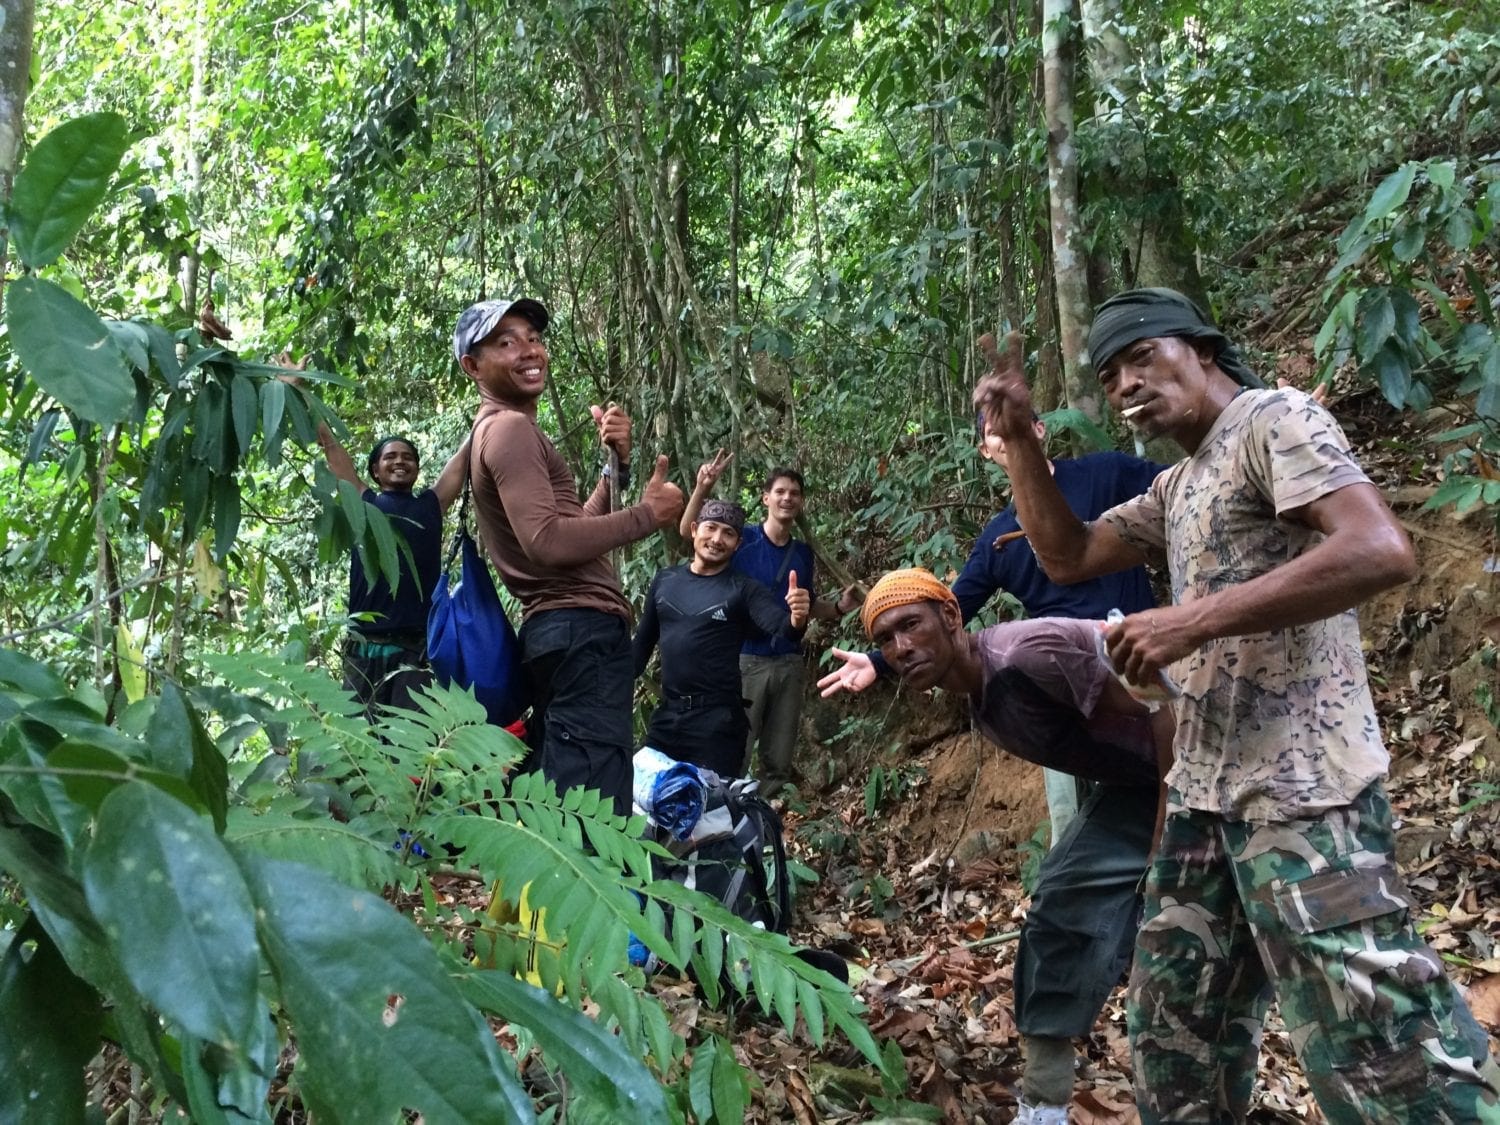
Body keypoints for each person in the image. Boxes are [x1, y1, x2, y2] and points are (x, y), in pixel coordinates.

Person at [973, 287, 1500, 1123]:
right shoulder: (1179, 484)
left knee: (1384, 1049)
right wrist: (1016, 445)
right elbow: (1068, 553)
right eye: (1111, 375)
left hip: (1304, 795)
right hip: (1205, 798)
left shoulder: (1272, 421)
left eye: (1143, 355)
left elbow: (1379, 547)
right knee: (1175, 1034)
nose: (1127, 383)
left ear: (1202, 350)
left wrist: (1192, 620)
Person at [819, 568, 1171, 1125]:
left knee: (1197, 932)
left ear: (952, 616)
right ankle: (1045, 1103)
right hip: (1140, 785)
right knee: (1060, 908)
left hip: (1210, 759)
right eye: (884, 640)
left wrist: (1167, 830)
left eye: (911, 626)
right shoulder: (979, 690)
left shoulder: (1026, 654)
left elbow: (1162, 700)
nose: (900, 647)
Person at [454, 297, 684, 817]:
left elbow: (569, 526)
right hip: (577, 631)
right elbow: (548, 542)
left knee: (565, 794)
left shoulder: (508, 428)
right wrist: (647, 514)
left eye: (533, 338)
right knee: (592, 812)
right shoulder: (508, 429)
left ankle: (532, 897)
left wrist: (616, 470)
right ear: (473, 365)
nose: (528, 350)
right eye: (505, 342)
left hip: (565, 634)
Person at [285, 347, 470, 719]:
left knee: (409, 748)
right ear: (374, 470)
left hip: (415, 650)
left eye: (407, 457)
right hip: (364, 648)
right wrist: (299, 391)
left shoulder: (431, 506)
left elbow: (463, 460)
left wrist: (493, 404)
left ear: (417, 469)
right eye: (390, 457)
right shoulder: (363, 503)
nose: (400, 461)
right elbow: (330, 446)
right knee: (358, 746)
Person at [680, 454, 858, 797]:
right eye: (780, 491)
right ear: (766, 498)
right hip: (745, 660)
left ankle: (762, 821)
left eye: (794, 493)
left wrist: (837, 607)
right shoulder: (741, 540)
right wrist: (702, 489)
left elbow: (803, 606)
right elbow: (688, 533)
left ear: (801, 501)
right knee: (735, 747)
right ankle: (720, 815)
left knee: (778, 755)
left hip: (789, 662)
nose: (787, 498)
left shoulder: (804, 554)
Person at [633, 499, 811, 776]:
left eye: (728, 533)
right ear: (694, 530)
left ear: (738, 544)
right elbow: (640, 648)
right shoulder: (665, 580)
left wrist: (797, 618)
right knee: (648, 805)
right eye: (711, 528)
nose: (717, 539)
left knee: (710, 814)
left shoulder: (743, 589)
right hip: (667, 718)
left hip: (717, 725)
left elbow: (781, 625)